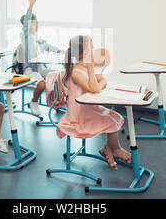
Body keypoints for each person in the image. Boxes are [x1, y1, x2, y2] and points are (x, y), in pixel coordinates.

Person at [56, 35, 131, 170]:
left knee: (115, 116)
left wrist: (98, 80)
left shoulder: (83, 69)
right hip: (78, 116)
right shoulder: (76, 72)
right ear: (84, 53)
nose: (94, 50)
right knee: (110, 120)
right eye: (91, 48)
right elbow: (95, 88)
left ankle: (110, 148)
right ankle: (114, 149)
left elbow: (102, 80)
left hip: (89, 109)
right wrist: (92, 71)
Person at [19, 0, 64, 115]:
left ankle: (56, 101)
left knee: (60, 75)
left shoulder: (37, 38)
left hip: (40, 68)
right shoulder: (25, 37)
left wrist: (60, 50)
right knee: (42, 84)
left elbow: (48, 46)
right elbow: (27, 23)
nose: (37, 25)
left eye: (37, 22)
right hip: (29, 70)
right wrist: (30, 6)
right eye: (33, 23)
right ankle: (34, 101)